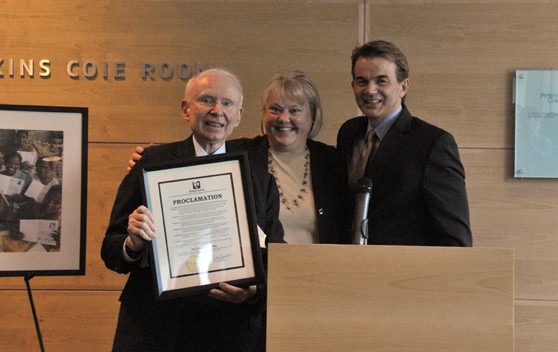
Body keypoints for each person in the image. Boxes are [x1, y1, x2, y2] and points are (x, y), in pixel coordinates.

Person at [101, 68, 284, 352]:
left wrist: (252, 293)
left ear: (238, 115)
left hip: (229, 332)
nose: (216, 111)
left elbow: (276, 260)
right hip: (155, 329)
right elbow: (111, 249)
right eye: (206, 100)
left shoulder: (260, 182)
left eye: (227, 103)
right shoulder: (151, 164)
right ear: (186, 109)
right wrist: (132, 244)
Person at [129, 71, 350, 245]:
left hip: (318, 275)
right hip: (258, 287)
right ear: (263, 114)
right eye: (275, 109)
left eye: (295, 110)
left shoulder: (332, 162)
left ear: (312, 116)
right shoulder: (237, 154)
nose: (284, 118)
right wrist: (148, 161)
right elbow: (191, 159)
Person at [336, 40, 472, 246]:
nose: (370, 90)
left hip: (404, 272)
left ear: (403, 87)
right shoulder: (348, 133)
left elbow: (455, 239)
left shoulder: (433, 144)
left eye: (381, 81)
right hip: (347, 267)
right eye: (362, 81)